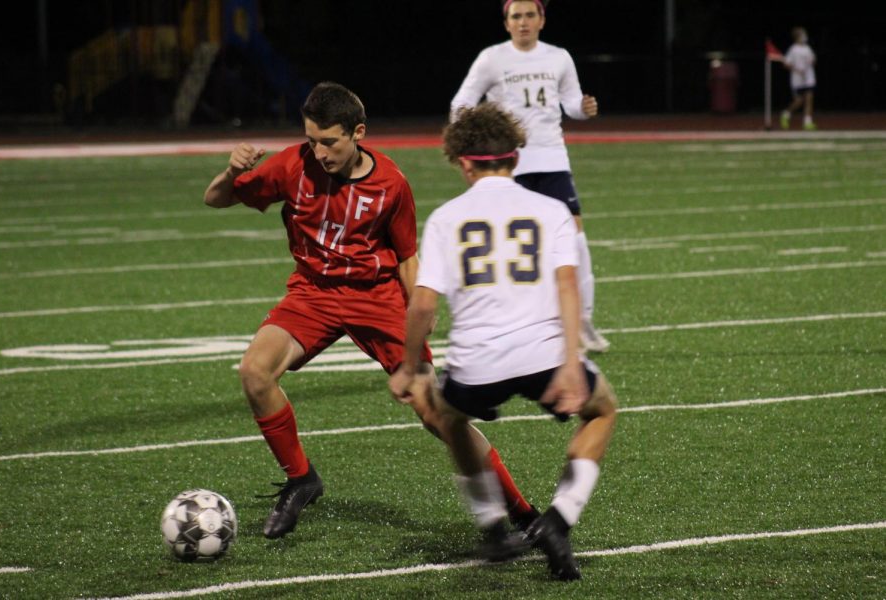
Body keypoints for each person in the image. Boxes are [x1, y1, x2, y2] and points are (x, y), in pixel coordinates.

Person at [203, 81, 535, 540]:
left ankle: (522, 511)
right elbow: (217, 198)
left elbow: (404, 254)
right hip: (313, 293)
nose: (319, 152)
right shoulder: (291, 165)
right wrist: (230, 171)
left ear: (358, 132)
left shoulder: (391, 183)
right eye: (312, 140)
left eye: (330, 141)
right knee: (255, 371)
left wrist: (420, 301)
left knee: (436, 413)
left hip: (375, 298)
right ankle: (302, 479)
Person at [389, 103, 617, 580]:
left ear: (464, 162)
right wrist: (573, 361)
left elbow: (424, 307)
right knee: (602, 410)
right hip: (546, 356)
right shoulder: (551, 210)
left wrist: (410, 368)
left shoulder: (448, 218)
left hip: (477, 366)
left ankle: (493, 525)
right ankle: (558, 520)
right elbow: (569, 288)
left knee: (448, 416)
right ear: (515, 157)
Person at [450, 0, 610, 354]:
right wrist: (476, 137)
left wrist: (582, 110)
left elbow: (568, 104)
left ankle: (582, 322)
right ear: (506, 23)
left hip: (552, 159)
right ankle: (514, 324)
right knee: (513, 246)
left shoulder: (559, 57)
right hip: (510, 165)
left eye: (529, 15)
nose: (523, 22)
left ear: (542, 20)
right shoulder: (492, 58)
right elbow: (462, 102)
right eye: (516, 16)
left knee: (576, 242)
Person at [778, 26, 817, 131]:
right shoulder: (793, 49)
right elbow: (786, 64)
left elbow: (813, 59)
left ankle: (807, 122)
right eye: (802, 34)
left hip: (809, 78)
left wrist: (812, 62)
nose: (805, 36)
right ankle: (786, 114)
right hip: (797, 80)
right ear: (797, 36)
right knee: (799, 101)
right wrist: (797, 69)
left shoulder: (807, 48)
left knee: (809, 98)